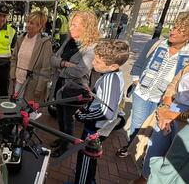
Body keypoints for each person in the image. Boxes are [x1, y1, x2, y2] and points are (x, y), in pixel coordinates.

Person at [116, 13, 189, 158]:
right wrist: (137, 83)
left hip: (165, 100)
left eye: (180, 31)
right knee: (138, 123)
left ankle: (145, 153)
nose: (173, 32)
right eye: (174, 27)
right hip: (142, 92)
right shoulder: (156, 43)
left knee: (155, 128)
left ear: (187, 36)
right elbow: (139, 64)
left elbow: (179, 81)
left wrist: (169, 101)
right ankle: (133, 148)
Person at [74, 39, 130, 184]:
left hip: (95, 127)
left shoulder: (110, 80)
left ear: (113, 66)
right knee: (91, 157)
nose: (93, 63)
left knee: (86, 156)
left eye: (98, 62)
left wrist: (83, 116)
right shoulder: (111, 75)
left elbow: (107, 112)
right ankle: (89, 180)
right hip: (97, 125)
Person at [49, 11, 100, 157]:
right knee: (59, 114)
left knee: (68, 119)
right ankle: (62, 138)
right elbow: (52, 59)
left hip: (74, 89)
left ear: (86, 28)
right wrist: (65, 63)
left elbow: (79, 72)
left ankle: (65, 146)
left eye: (75, 25)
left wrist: (60, 68)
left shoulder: (91, 48)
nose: (70, 27)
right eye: (71, 23)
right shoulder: (68, 40)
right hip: (60, 85)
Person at [132, 64, 189, 184]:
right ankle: (145, 178)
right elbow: (173, 85)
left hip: (184, 123)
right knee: (153, 151)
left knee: (172, 162)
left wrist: (172, 115)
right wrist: (165, 107)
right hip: (170, 109)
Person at [10, 11, 52, 102]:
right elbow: (14, 58)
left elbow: (46, 68)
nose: (28, 25)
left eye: (32, 23)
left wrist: (40, 88)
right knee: (17, 108)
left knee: (29, 112)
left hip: (33, 84)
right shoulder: (21, 38)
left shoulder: (45, 43)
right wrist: (13, 74)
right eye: (28, 22)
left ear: (40, 26)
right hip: (18, 81)